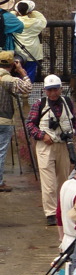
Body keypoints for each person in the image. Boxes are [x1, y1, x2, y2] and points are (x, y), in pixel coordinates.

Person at [26, 74, 76, 226]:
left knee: (64, 180)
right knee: (48, 183)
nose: (53, 93)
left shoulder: (68, 102)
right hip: (45, 146)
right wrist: (41, 136)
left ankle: (62, 209)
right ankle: (51, 214)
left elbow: (74, 120)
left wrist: (73, 132)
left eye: (55, 89)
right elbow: (30, 124)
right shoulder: (39, 104)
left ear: (61, 89)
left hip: (63, 146)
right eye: (50, 90)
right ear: (45, 91)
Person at [0, 51, 31, 193]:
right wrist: (22, 72)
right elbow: (27, 88)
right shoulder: (10, 80)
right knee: (1, 152)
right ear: (12, 65)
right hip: (5, 120)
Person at [14, 0, 45, 83]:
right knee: (30, 74)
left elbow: (8, 17)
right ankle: (26, 92)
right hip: (32, 52)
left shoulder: (14, 21)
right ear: (29, 11)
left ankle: (18, 92)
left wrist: (15, 13)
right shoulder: (35, 22)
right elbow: (43, 21)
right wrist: (33, 12)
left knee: (17, 73)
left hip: (18, 52)